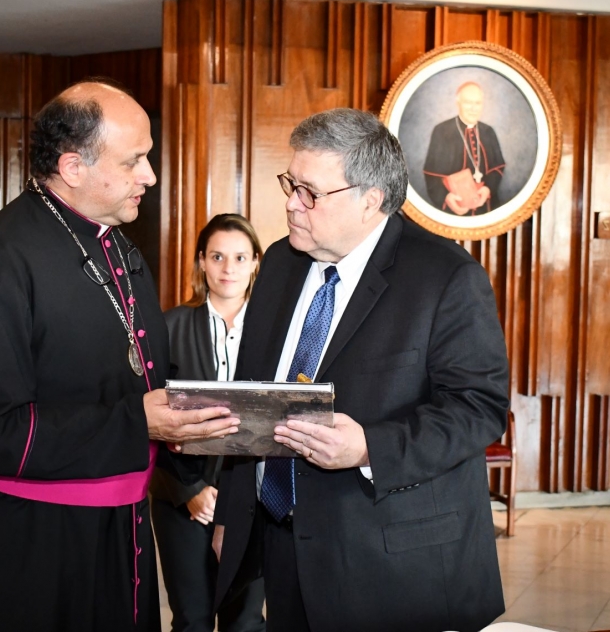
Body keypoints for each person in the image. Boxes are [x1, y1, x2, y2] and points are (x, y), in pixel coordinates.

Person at [0, 79, 239, 632]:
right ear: (73, 168)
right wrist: (138, 422)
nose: (151, 176)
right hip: (29, 542)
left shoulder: (117, 247)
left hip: (120, 530)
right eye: (135, 159)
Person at [211, 108, 509, 632]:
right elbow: (255, 393)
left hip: (391, 562)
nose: (290, 203)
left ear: (370, 199)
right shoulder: (280, 262)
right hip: (286, 549)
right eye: (290, 184)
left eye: (309, 191)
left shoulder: (446, 278)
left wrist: (371, 446)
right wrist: (233, 515)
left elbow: (479, 410)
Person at [150, 213, 266, 632]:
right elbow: (152, 420)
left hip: (252, 501)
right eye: (217, 256)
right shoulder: (168, 327)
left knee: (245, 622)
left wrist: (240, 498)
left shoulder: (274, 331)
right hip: (182, 499)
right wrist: (190, 491)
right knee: (192, 619)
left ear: (256, 262)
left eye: (240, 257)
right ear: (201, 261)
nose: (228, 268)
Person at [423, 82, 506, 215]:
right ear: (458, 102)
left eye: (477, 103)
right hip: (454, 207)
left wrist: (488, 189)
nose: (473, 108)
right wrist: (446, 198)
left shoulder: (488, 131)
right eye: (468, 102)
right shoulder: (442, 131)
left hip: (486, 206)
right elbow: (431, 174)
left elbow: (498, 166)